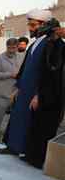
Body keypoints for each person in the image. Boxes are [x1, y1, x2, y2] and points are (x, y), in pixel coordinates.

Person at [0, 9, 54, 158]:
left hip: (34, 93)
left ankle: (27, 152)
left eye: (33, 25)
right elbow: (26, 69)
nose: (30, 28)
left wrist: (39, 95)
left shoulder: (49, 44)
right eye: (30, 24)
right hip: (24, 91)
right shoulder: (34, 44)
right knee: (17, 118)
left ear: (44, 25)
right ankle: (13, 147)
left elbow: (48, 75)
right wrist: (18, 88)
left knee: (30, 123)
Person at [24, 20, 65, 168]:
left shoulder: (60, 47)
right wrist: (37, 94)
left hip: (55, 96)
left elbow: (53, 74)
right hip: (44, 93)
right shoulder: (48, 45)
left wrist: (40, 95)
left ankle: (40, 159)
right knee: (36, 125)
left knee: (47, 129)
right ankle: (31, 156)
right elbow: (43, 73)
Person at [0, 38, 21, 139]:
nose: (11, 50)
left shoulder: (21, 57)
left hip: (17, 91)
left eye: (13, 48)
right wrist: (10, 74)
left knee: (16, 114)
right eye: (9, 48)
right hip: (3, 91)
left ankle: (12, 132)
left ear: (17, 47)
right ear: (6, 47)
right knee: (0, 111)